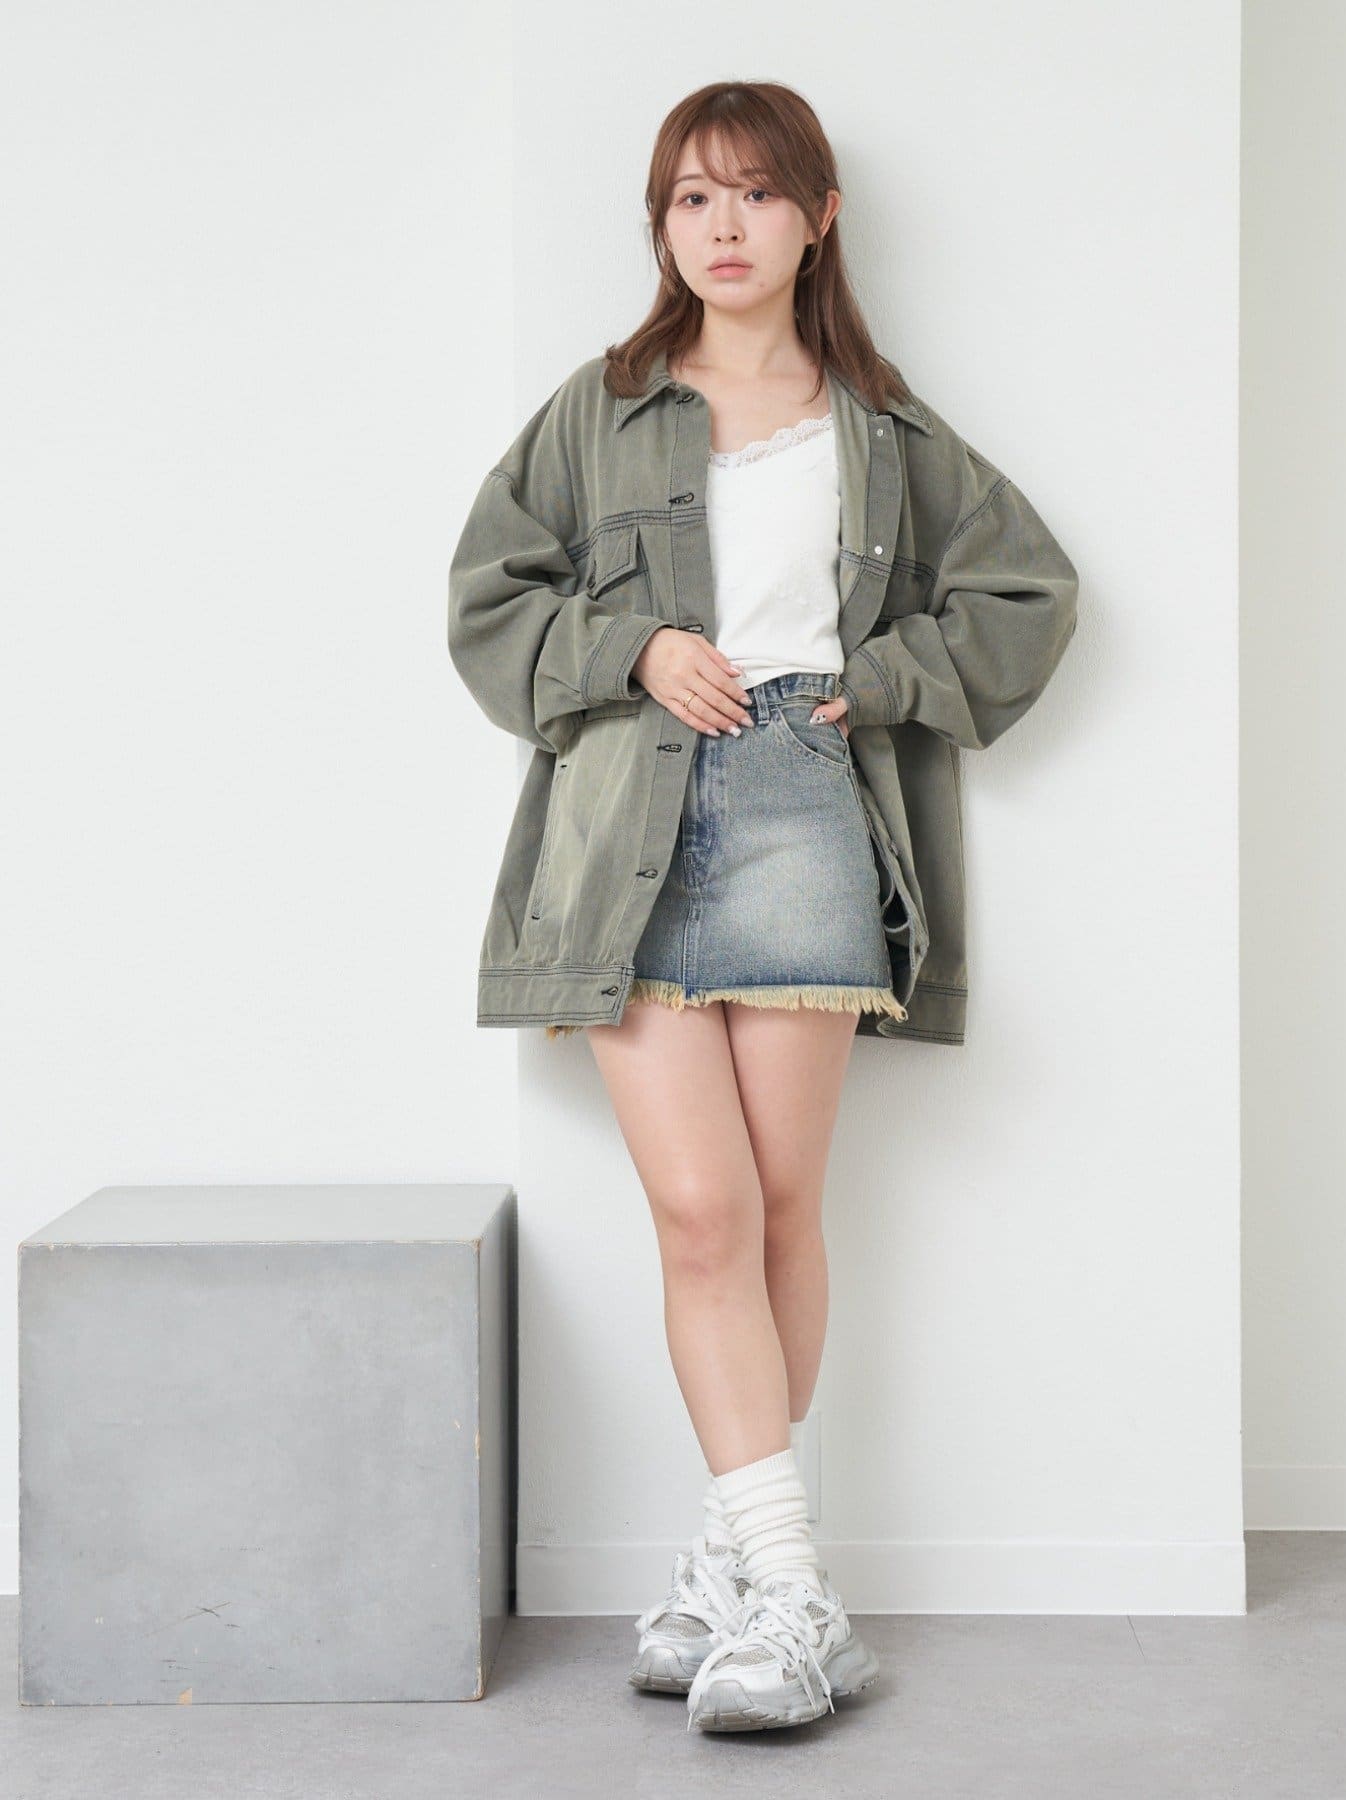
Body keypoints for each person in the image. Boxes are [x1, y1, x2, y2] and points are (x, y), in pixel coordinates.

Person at [448, 79, 1079, 1734]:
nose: (721, 226)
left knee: (784, 1211)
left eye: (754, 193)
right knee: (701, 1214)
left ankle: (738, 1574)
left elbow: (1029, 589)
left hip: (806, 804)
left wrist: (885, 681)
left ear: (818, 217)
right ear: (661, 227)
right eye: (689, 197)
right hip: (629, 828)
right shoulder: (600, 410)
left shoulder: (886, 429)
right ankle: (793, 1588)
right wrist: (633, 649)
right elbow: (488, 599)